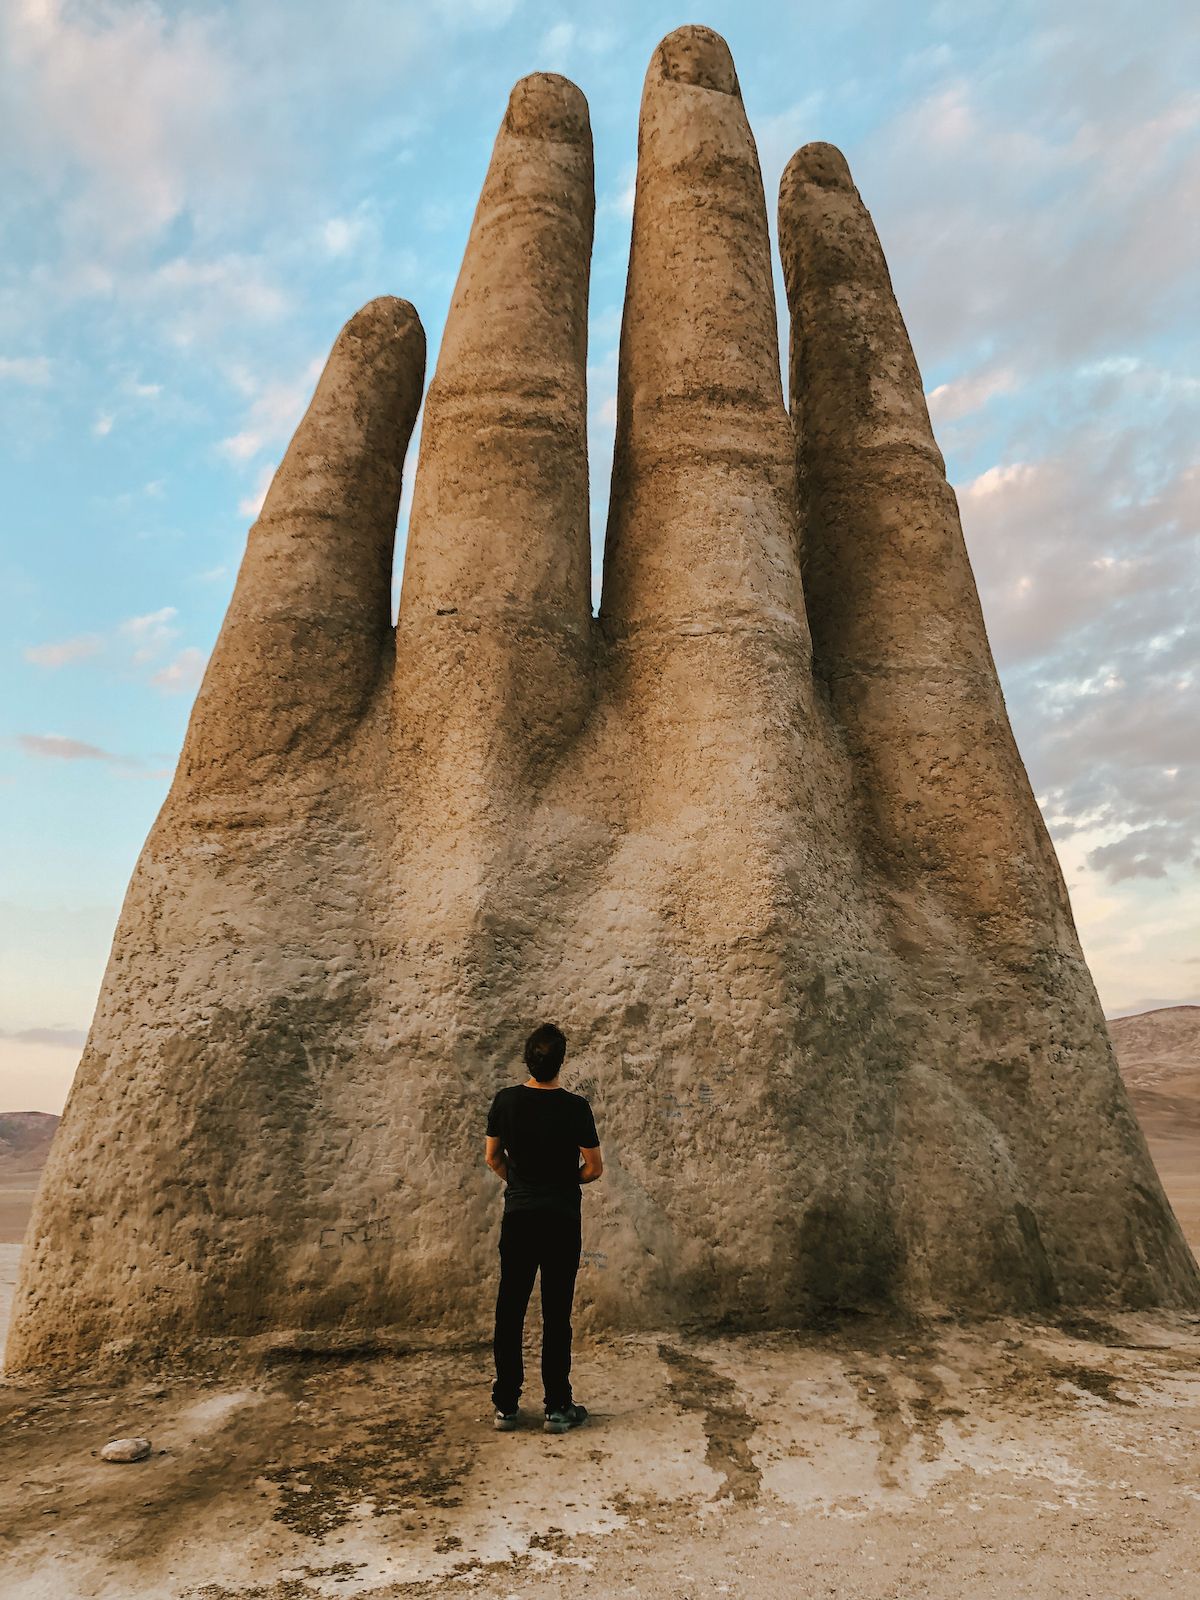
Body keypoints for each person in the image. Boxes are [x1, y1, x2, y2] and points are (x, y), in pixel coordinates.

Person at [485, 1022, 603, 1434]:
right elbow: (594, 1167)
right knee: (556, 1312)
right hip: (561, 1219)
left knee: (510, 1310)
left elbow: (493, 1158)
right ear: (561, 1062)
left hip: (519, 1217)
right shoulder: (575, 1108)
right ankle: (557, 1406)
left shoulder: (505, 1101)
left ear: (528, 1060)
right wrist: (565, 1182)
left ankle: (506, 1406)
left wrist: (521, 1185)